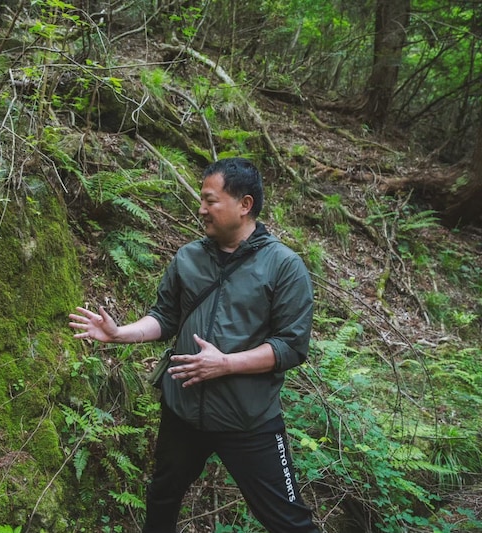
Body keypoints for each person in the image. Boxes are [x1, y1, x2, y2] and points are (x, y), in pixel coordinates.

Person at [68, 157, 320, 533]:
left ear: (244, 204)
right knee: (162, 498)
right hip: (183, 411)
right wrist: (120, 333)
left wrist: (227, 364)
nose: (201, 209)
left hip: (248, 419)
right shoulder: (189, 258)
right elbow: (165, 318)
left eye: (210, 200)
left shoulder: (284, 267)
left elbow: (290, 347)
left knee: (288, 522)